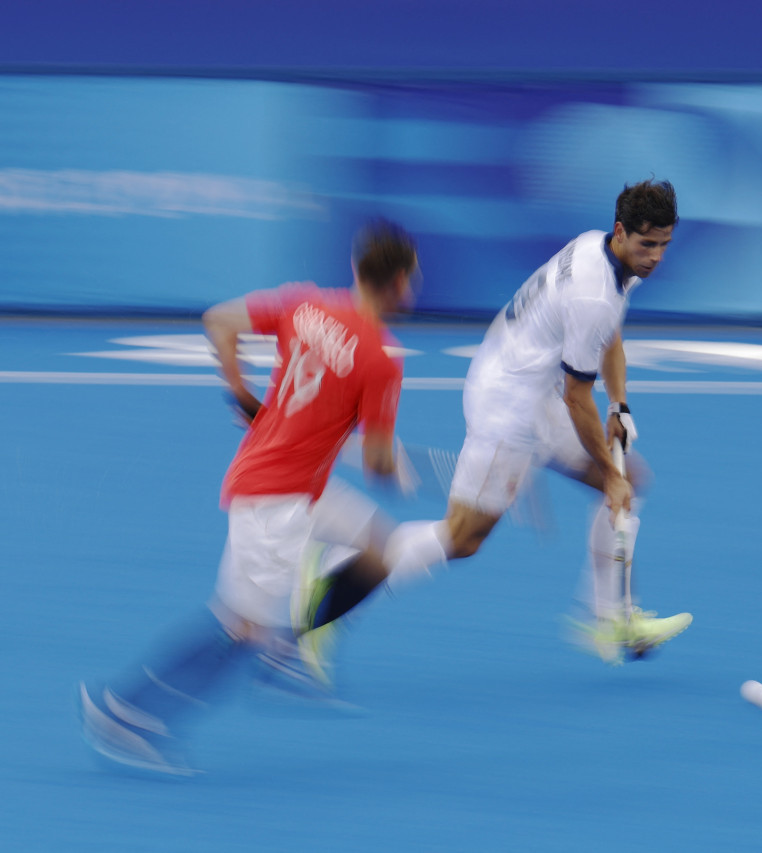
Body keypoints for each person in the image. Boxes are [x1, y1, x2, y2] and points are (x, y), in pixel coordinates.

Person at [298, 179, 692, 664]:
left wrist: (619, 406)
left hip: (529, 383)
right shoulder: (595, 293)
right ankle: (338, 579)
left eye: (663, 246)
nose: (654, 256)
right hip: (509, 406)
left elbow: (607, 337)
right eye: (647, 244)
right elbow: (576, 396)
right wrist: (607, 474)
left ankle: (612, 618)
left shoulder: (602, 250)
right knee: (463, 538)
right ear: (621, 231)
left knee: (630, 478)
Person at [79, 218, 419, 775]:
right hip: (275, 500)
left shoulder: (303, 304)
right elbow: (379, 463)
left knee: (380, 551)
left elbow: (219, 320)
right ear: (400, 282)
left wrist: (240, 391)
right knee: (239, 629)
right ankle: (125, 711)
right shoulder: (380, 361)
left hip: (299, 484)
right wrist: (397, 468)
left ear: (358, 269)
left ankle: (287, 650)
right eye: (414, 276)